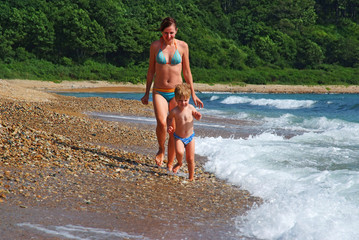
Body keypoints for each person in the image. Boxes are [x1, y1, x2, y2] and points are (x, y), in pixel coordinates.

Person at [141, 17, 203, 169]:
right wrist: (146, 92)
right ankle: (161, 149)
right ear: (161, 32)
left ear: (176, 31)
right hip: (159, 91)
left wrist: (193, 94)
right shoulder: (155, 46)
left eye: (171, 33)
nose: (168, 36)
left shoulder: (182, 46)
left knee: (173, 130)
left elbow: (187, 73)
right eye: (165, 33)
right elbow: (151, 71)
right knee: (162, 123)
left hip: (177, 94)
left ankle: (170, 163)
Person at [167, 83, 202, 181]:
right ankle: (179, 162)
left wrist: (198, 116)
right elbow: (169, 118)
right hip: (179, 137)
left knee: (190, 159)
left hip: (190, 137)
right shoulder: (174, 111)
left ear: (189, 98)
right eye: (180, 101)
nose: (183, 103)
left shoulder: (190, 108)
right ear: (176, 100)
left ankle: (191, 177)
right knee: (179, 151)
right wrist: (169, 125)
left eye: (185, 100)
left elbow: (196, 116)